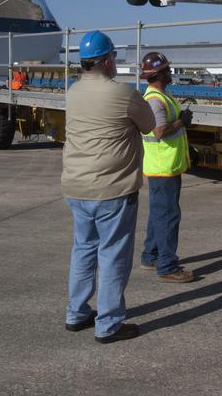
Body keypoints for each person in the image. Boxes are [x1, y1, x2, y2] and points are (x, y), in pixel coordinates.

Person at [61, 30, 155, 343]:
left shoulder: (73, 92)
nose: (116, 61)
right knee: (113, 255)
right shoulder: (123, 93)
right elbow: (149, 126)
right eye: (114, 56)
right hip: (112, 189)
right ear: (105, 60)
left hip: (76, 186)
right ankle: (108, 324)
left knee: (83, 250)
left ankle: (76, 312)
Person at [137, 51, 196, 283]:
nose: (171, 73)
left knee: (158, 214)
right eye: (168, 70)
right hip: (163, 167)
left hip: (162, 166)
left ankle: (150, 256)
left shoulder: (160, 95)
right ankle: (167, 266)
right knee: (168, 216)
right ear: (160, 73)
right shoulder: (155, 99)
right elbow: (160, 131)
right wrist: (182, 121)